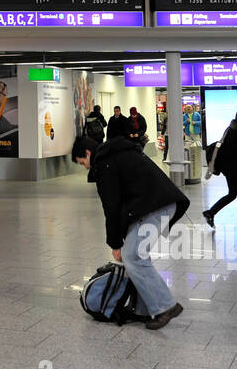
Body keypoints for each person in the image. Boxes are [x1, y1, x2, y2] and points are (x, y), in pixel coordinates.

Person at [71, 134, 188, 330]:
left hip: (155, 206)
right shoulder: (114, 154)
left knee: (132, 256)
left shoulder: (104, 163)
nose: (86, 167)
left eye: (82, 162)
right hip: (156, 204)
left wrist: (115, 244)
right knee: (136, 255)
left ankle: (165, 306)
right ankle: (143, 310)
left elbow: (112, 207)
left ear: (88, 153)